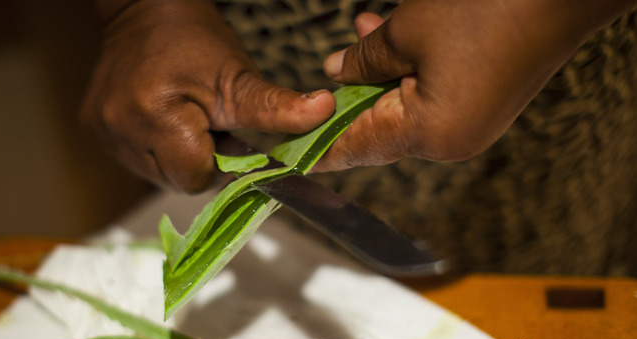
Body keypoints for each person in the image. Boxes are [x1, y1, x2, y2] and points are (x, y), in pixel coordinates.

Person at [83, 0, 637, 276]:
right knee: (292, 265)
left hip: (565, 60)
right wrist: (140, 11)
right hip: (243, 33)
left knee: (547, 267)